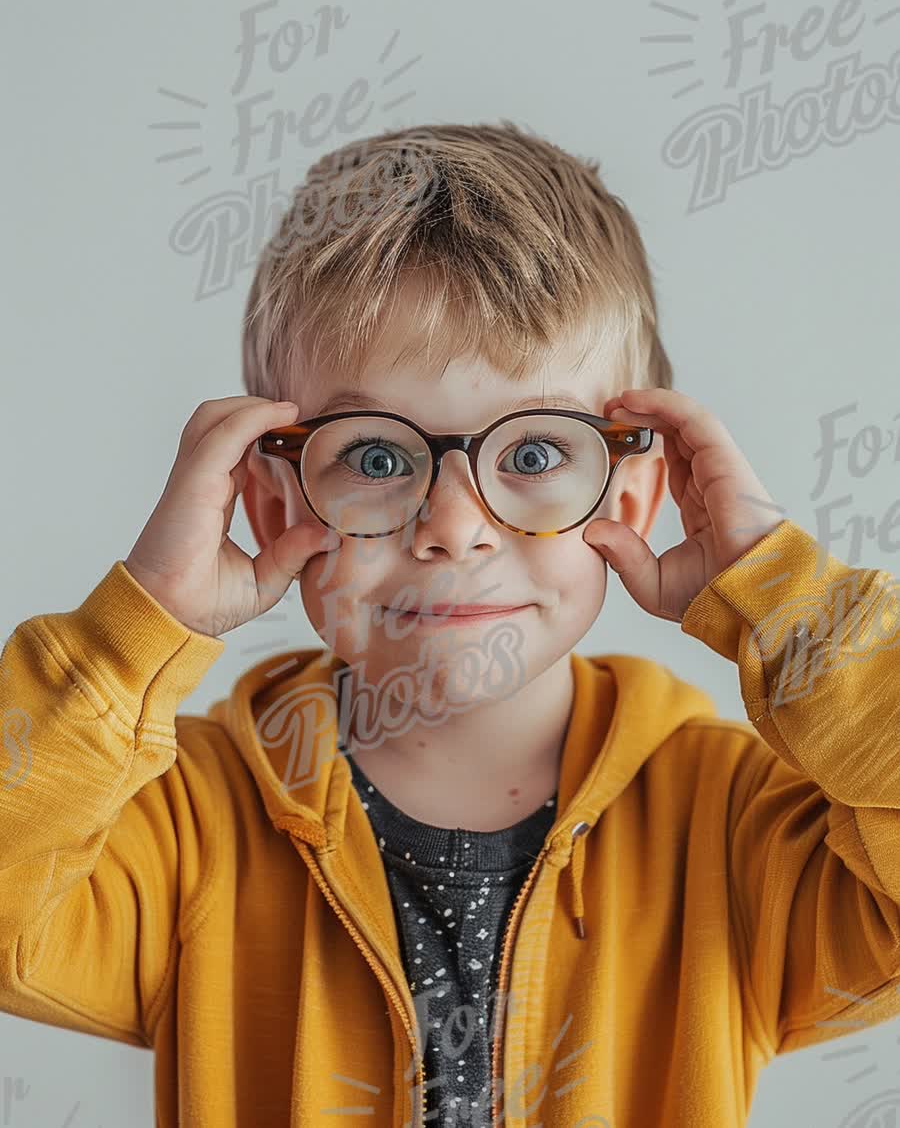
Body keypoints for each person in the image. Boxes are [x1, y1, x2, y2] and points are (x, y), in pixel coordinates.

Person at [1, 121, 898, 1128]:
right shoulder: (191, 827)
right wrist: (138, 630)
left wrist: (786, 597)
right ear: (270, 504)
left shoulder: (729, 832)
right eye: (379, 457)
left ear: (635, 498)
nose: (455, 525)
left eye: (533, 453)